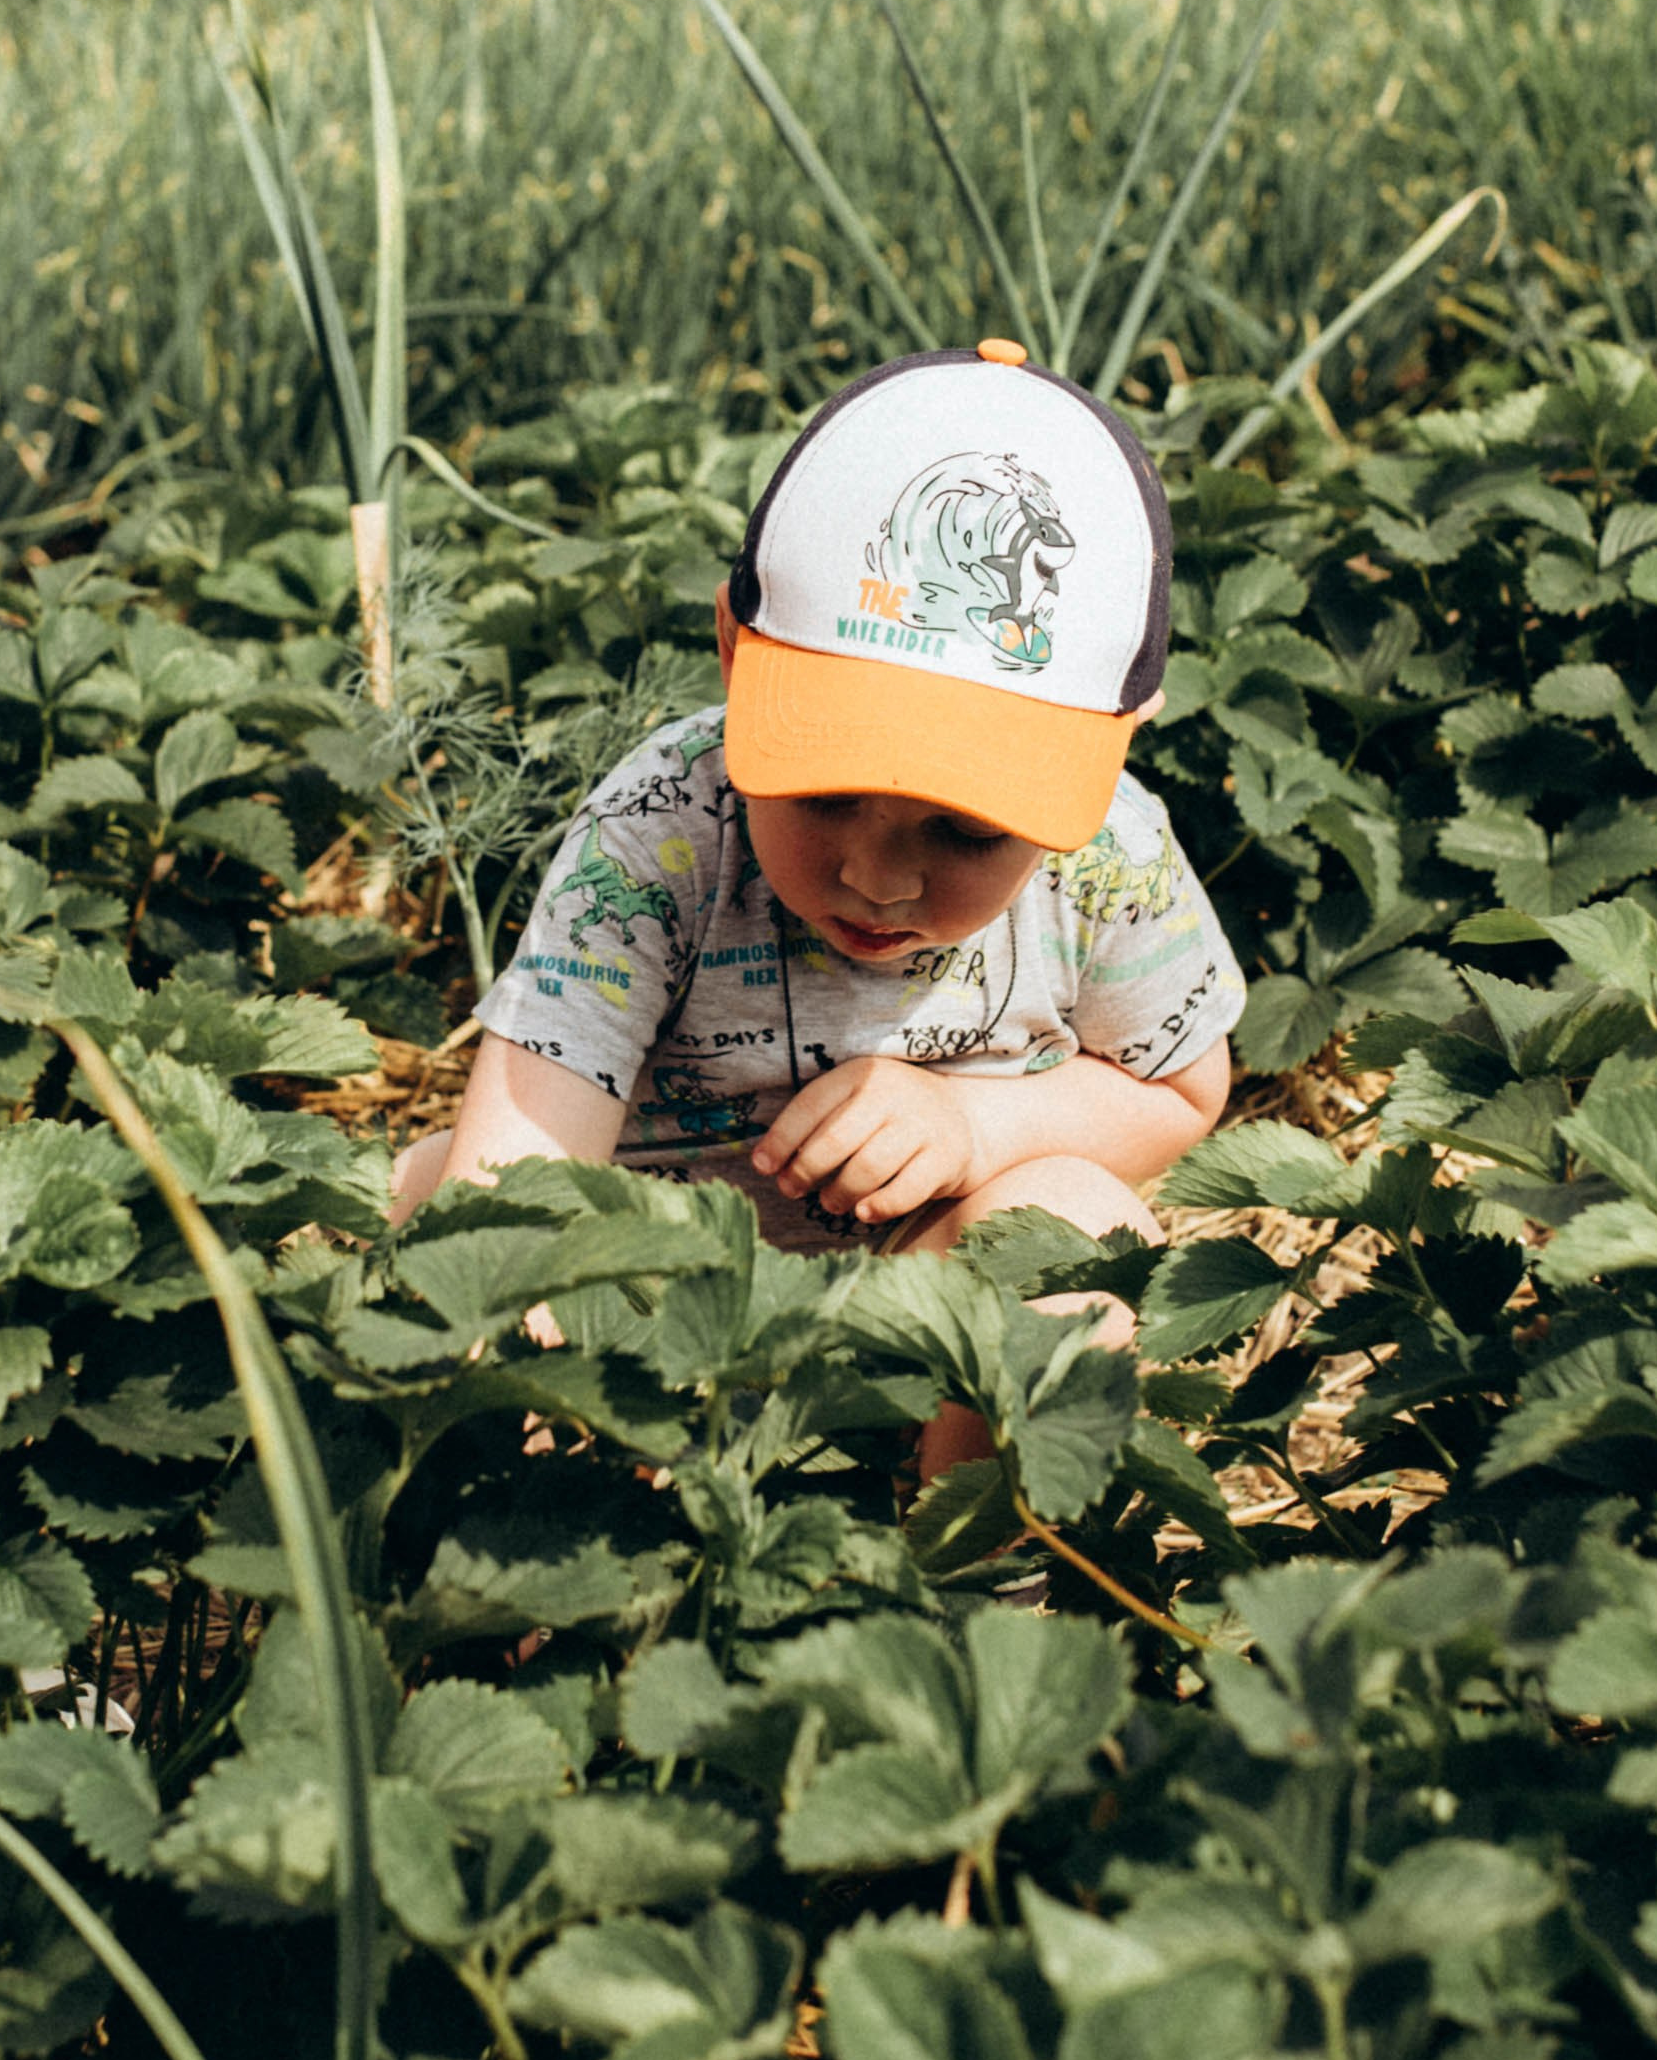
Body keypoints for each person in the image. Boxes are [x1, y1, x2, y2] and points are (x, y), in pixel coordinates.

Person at [399, 345, 1242, 1460]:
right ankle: (541, 1566)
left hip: (914, 1305)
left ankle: (973, 1586)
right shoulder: (662, 828)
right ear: (734, 652)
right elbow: (527, 1150)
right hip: (650, 1310)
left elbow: (1179, 1086)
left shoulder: (1111, 854)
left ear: (1114, 742)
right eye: (825, 791)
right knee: (439, 1205)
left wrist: (974, 1122)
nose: (879, 878)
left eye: (968, 828)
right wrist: (527, 1360)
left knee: (1080, 1246)